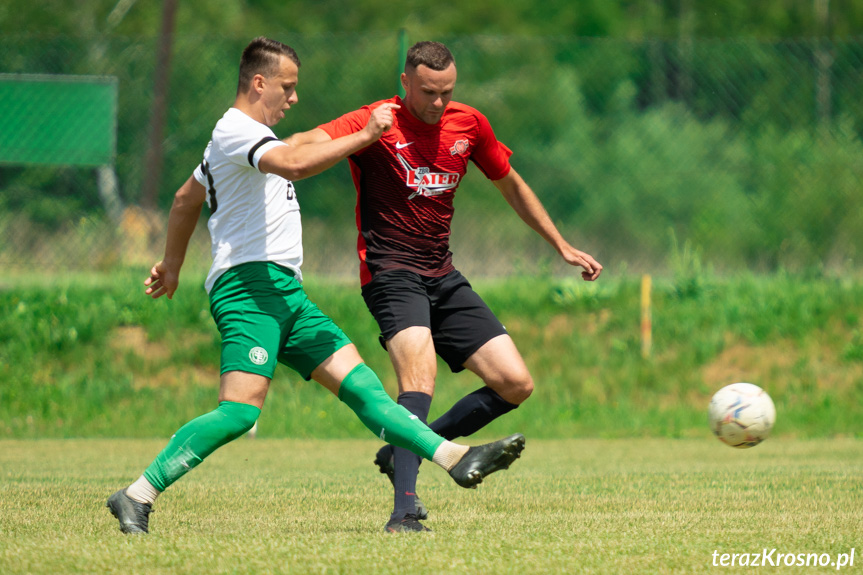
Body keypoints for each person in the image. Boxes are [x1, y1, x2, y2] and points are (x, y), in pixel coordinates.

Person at [105, 37, 526, 536]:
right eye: (288, 86)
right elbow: (298, 166)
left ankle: (455, 456)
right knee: (239, 412)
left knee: (364, 387)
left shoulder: (244, 138)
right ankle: (136, 493)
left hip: (287, 293)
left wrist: (173, 265)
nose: (294, 98)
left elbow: (184, 197)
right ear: (259, 82)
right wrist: (366, 134)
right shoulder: (236, 130)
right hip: (248, 289)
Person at [285, 41, 602, 532]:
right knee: (420, 379)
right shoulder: (377, 119)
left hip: (442, 273)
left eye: (446, 92)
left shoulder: (469, 124)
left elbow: (511, 183)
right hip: (390, 271)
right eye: (428, 92)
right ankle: (404, 512)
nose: (437, 103)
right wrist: (362, 137)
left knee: (516, 383)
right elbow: (299, 145)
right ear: (405, 82)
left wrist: (559, 243)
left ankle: (405, 447)